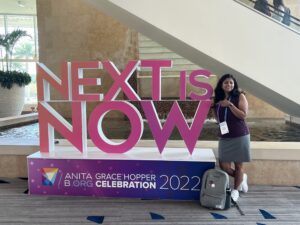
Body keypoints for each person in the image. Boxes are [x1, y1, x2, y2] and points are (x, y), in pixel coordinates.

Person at [213, 74, 251, 202]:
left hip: (240, 135)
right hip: (225, 136)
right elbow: (218, 116)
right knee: (223, 165)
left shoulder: (240, 96)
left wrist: (229, 105)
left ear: (234, 84)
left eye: (231, 83)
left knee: (239, 165)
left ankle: (236, 191)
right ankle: (242, 178)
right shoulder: (218, 98)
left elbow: (243, 115)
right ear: (221, 85)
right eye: (226, 83)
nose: (228, 85)